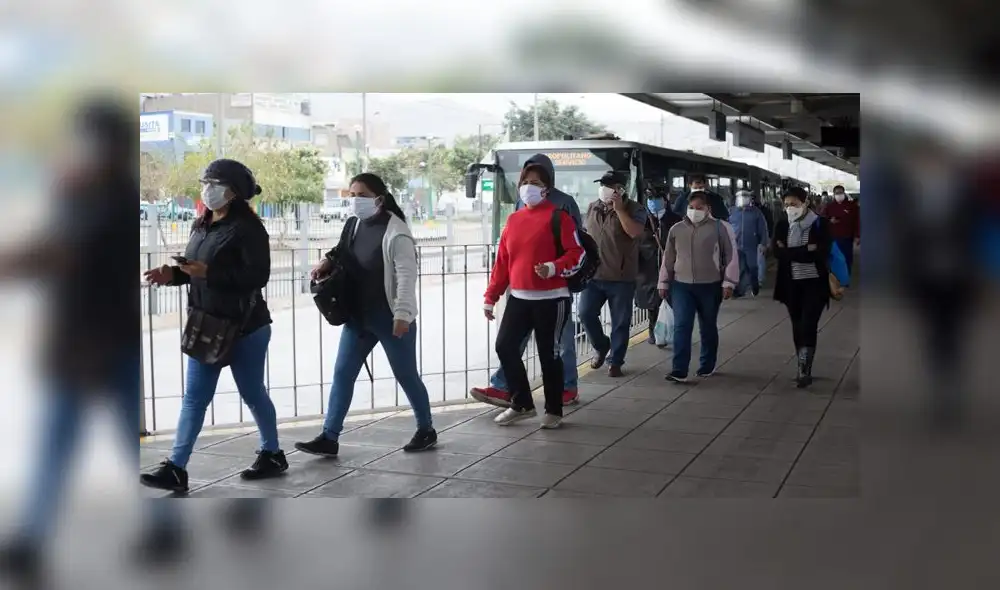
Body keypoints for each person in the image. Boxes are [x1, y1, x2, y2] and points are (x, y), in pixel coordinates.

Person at [141, 159, 287, 492]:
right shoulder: (202, 225)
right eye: (206, 182)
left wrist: (208, 273)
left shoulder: (249, 230)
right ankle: (176, 467)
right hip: (207, 324)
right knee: (194, 399)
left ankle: (272, 452)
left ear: (234, 191)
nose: (208, 189)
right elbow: (196, 269)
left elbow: (257, 276)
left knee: (252, 393)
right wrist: (173, 274)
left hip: (246, 328)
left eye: (215, 183)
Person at [295, 173, 436, 455]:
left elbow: (407, 277)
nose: (355, 201)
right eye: (351, 195)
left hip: (390, 318)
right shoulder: (354, 224)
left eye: (361, 195)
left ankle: (426, 429)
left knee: (406, 374)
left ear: (379, 199)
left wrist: (403, 315)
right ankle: (329, 436)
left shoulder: (397, 233)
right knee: (342, 374)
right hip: (358, 318)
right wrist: (327, 260)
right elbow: (342, 251)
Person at [470, 154, 583, 408]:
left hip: (552, 298)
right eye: (525, 181)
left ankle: (556, 404)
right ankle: (520, 401)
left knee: (551, 352)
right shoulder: (515, 217)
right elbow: (503, 262)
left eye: (536, 182)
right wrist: (491, 296)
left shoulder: (561, 212)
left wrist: (554, 267)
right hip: (519, 297)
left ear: (547, 187)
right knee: (505, 346)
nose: (528, 187)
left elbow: (577, 251)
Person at [659, 191, 739, 383]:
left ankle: (707, 364)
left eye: (699, 207)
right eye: (691, 207)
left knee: (708, 326)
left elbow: (731, 256)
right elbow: (668, 258)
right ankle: (679, 369)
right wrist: (663, 282)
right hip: (681, 286)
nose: (695, 211)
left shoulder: (721, 228)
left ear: (708, 209)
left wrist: (728, 282)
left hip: (710, 286)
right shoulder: (676, 229)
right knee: (682, 326)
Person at [579, 171, 646, 377]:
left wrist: (619, 211)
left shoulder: (635, 208)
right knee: (585, 313)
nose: (605, 189)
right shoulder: (593, 207)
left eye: (610, 186)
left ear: (620, 190)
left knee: (620, 322)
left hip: (621, 278)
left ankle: (615, 361)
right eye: (603, 185)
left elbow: (635, 232)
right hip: (593, 276)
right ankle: (601, 345)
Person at [772, 186, 833, 388]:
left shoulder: (819, 224)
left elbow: (820, 253)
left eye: (794, 204)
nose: (790, 208)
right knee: (797, 325)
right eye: (787, 204)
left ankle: (804, 369)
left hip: (815, 284)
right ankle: (801, 362)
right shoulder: (782, 224)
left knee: (808, 324)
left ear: (805, 202)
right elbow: (777, 252)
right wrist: (804, 250)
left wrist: (790, 251)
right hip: (790, 285)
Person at [636, 186, 682, 345]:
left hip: (671, 269)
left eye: (656, 198)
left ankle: (668, 331)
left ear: (665, 200)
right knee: (653, 304)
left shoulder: (676, 220)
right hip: (648, 270)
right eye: (650, 199)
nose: (653, 202)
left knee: (670, 300)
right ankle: (655, 332)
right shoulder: (641, 221)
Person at [728, 189, 770, 298]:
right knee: (739, 268)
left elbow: (763, 229)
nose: (743, 198)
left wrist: (763, 243)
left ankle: (754, 284)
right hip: (736, 245)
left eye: (745, 196)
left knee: (752, 267)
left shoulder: (756, 212)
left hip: (751, 245)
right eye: (740, 196)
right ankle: (739, 291)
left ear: (750, 198)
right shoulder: (732, 211)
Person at [821, 184, 860, 275]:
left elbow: (857, 221)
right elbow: (823, 219)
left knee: (846, 258)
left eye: (841, 192)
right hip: (833, 237)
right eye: (837, 193)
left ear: (844, 193)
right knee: (834, 257)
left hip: (847, 237)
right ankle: (836, 277)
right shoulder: (830, 207)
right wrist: (830, 220)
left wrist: (858, 235)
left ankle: (845, 276)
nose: (839, 195)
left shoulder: (852, 206)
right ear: (834, 194)